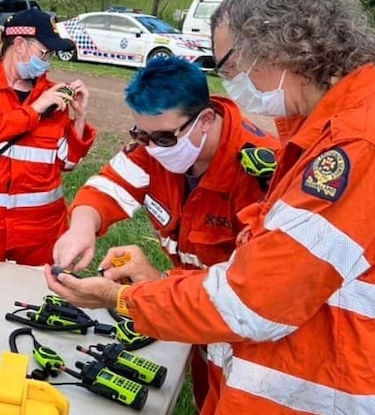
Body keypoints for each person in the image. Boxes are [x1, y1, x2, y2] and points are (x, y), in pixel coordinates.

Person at [45, 0, 375, 415]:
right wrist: (90, 230)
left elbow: (251, 298)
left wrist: (119, 298)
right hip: (234, 355)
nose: (229, 79)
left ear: (271, 49)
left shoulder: (354, 149)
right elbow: (111, 187)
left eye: (228, 66)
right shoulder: (322, 137)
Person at [52, 55, 278, 409]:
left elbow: (254, 291)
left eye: (162, 137)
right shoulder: (154, 146)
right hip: (195, 318)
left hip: (252, 338)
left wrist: (156, 280)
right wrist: (82, 228)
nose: (151, 148)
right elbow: (106, 188)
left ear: (204, 120)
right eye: (139, 134)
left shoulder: (261, 173)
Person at [0, 9, 96, 291]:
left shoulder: (52, 94)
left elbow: (67, 161)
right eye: (44, 53)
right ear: (19, 45)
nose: (46, 63)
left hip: (41, 226)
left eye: (50, 56)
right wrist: (35, 110)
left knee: (40, 295)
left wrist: (80, 118)